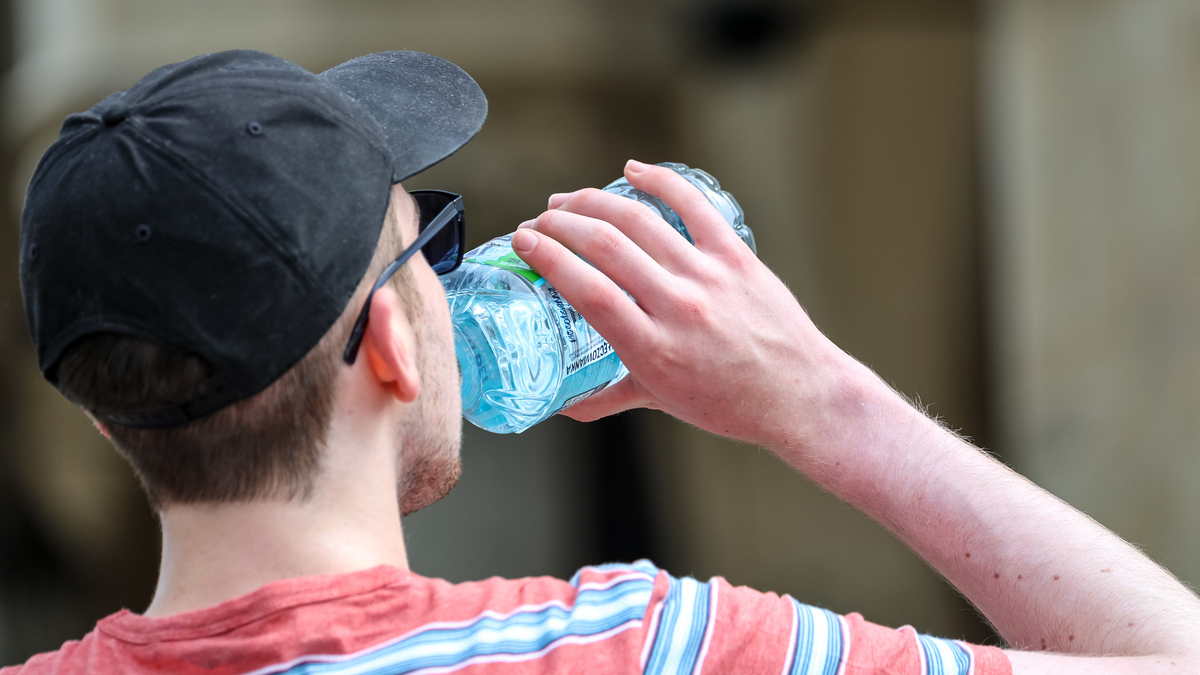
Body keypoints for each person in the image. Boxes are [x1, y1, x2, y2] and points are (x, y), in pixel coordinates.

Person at [6, 47, 1200, 675]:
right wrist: (820, 403)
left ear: (110, 419)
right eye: (434, 243)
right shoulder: (637, 648)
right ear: (389, 345)